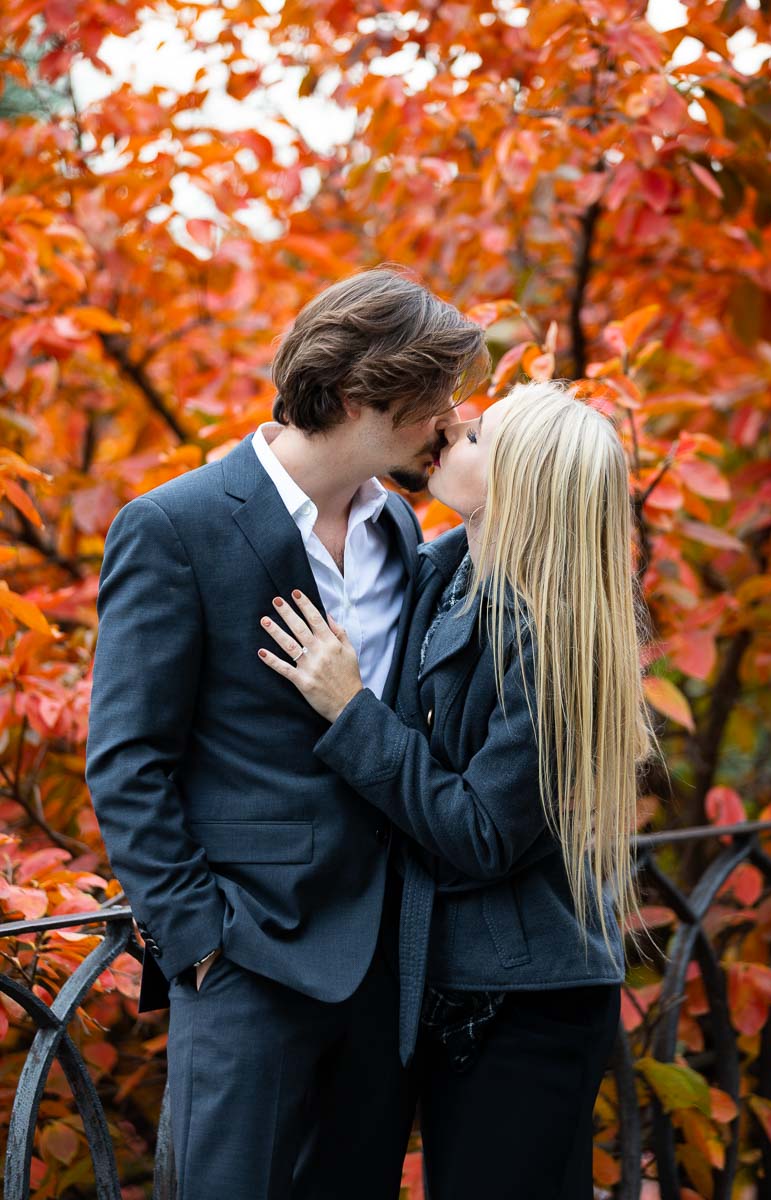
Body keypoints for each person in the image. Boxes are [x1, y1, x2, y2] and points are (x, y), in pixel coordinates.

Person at [85, 265, 490, 1199]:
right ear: (357, 397)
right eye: (434, 398)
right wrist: (199, 944)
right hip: (247, 964)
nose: (447, 421)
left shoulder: (402, 530)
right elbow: (127, 761)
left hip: (389, 970)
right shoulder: (174, 526)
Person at [256, 377, 661, 1200]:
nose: (453, 433)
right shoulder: (442, 572)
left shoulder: (549, 633)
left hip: (524, 1002)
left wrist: (351, 711)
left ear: (521, 485)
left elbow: (482, 832)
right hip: (446, 981)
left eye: (478, 438)